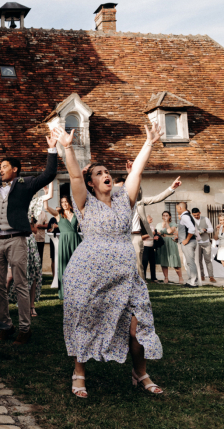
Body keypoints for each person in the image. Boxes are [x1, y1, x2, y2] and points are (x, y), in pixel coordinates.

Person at [54, 123, 163, 399]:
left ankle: (140, 372)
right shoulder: (84, 203)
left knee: (139, 323)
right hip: (89, 274)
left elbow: (136, 171)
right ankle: (79, 371)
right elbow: (74, 177)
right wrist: (67, 148)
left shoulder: (124, 200)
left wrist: (149, 143)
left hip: (126, 274)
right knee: (85, 321)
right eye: (99, 173)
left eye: (107, 172)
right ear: (91, 182)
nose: (105, 175)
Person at [0, 135, 58, 345]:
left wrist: (52, 150)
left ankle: (25, 329)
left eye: (5, 166)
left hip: (17, 240)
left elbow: (49, 174)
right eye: (0, 166)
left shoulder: (25, 184)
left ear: (15, 169)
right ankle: (5, 324)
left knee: (20, 284)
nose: (1, 169)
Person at [117, 165, 180, 280]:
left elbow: (157, 198)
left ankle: (140, 288)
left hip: (135, 236)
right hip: (120, 237)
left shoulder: (139, 202)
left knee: (138, 264)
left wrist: (171, 188)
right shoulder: (114, 204)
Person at [44, 195, 81, 299]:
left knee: (76, 267)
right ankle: (65, 292)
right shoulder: (58, 214)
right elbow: (46, 208)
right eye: (62, 202)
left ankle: (76, 291)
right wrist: (47, 196)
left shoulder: (76, 214)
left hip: (75, 241)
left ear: (69, 202)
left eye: (66, 202)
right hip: (64, 242)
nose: (64, 204)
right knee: (64, 267)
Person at [8, 218, 43, 317]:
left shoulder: (31, 211)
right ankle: (20, 304)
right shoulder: (13, 211)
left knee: (34, 273)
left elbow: (35, 230)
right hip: (17, 241)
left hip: (30, 242)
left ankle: (32, 306)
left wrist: (31, 222)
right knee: (20, 274)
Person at [176, 202, 201, 288]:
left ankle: (193, 282)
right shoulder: (187, 216)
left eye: (176, 208)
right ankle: (191, 280)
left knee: (190, 262)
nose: (176, 210)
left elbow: (191, 228)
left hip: (189, 243)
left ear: (180, 207)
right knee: (187, 262)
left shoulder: (185, 216)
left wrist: (186, 239)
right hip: (190, 242)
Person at [155, 211, 182, 284]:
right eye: (164, 215)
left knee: (175, 261)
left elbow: (170, 231)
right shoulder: (158, 224)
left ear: (170, 216)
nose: (165, 217)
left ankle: (180, 278)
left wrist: (166, 223)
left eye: (167, 215)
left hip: (171, 242)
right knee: (163, 261)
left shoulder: (173, 224)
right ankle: (166, 278)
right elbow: (157, 232)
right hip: (162, 243)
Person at [191, 208, 215, 283]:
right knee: (199, 261)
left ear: (200, 213)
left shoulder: (206, 219)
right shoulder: (191, 220)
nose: (196, 216)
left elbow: (212, 229)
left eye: (198, 214)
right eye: (195, 215)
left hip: (206, 242)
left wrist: (206, 229)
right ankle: (202, 275)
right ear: (192, 214)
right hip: (196, 243)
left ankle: (211, 276)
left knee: (208, 260)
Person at [142, 215, 160, 283]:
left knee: (153, 263)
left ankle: (153, 278)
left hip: (152, 247)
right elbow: (142, 237)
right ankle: (144, 278)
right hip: (145, 246)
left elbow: (154, 234)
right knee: (145, 262)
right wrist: (152, 234)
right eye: (149, 217)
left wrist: (156, 235)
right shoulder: (143, 226)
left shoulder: (152, 226)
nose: (151, 218)